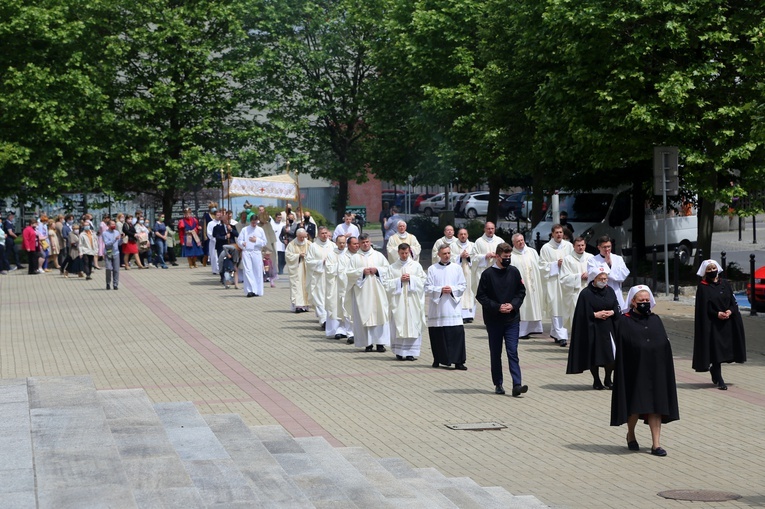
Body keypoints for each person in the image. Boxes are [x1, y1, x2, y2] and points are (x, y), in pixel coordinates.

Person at [611, 285, 679, 457]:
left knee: (656, 407)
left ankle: (656, 444)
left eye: (647, 300)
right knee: (635, 407)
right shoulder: (624, 321)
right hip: (635, 370)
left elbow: (664, 343)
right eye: (641, 301)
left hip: (656, 370)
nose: (644, 303)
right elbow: (623, 346)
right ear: (633, 302)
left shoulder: (655, 319)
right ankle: (631, 434)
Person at [476, 242, 528, 396]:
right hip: (494, 320)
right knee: (496, 352)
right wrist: (497, 306)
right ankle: (498, 383)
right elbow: (481, 296)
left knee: (512, 351)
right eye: (505, 257)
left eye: (509, 257)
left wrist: (513, 305)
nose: (507, 259)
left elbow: (521, 292)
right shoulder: (487, 274)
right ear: (497, 256)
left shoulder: (514, 272)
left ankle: (517, 384)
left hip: (512, 319)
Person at [692, 259, 747, 390]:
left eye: (713, 268)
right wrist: (716, 313)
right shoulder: (703, 287)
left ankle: (715, 372)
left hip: (728, 322)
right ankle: (719, 377)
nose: (712, 271)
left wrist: (730, 311)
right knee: (715, 350)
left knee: (725, 349)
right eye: (709, 270)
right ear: (705, 272)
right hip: (713, 323)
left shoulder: (725, 284)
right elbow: (703, 308)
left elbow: (733, 302)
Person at [566, 266, 621, 390]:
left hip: (608, 328)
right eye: (601, 278)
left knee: (612, 355)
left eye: (605, 278)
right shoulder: (586, 293)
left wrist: (612, 312)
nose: (603, 281)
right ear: (594, 279)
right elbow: (581, 313)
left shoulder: (610, 291)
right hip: (593, 328)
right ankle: (596, 380)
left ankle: (608, 378)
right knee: (594, 355)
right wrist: (594, 315)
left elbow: (616, 306)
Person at [425, 244, 468, 370]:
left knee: (456, 334)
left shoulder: (457, 268)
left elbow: (462, 285)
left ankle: (459, 361)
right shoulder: (432, 269)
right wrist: (440, 290)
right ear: (439, 254)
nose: (447, 256)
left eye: (448, 253)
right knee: (438, 334)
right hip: (438, 308)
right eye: (444, 253)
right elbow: (427, 287)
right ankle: (438, 358)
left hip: (452, 307)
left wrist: (452, 289)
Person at [347, 233, 391, 352]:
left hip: (378, 292)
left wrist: (377, 270)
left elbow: (388, 270)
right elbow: (349, 274)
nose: (365, 244)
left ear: (370, 241)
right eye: (362, 243)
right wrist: (362, 272)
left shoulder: (378, 255)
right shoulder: (355, 258)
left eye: (367, 242)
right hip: (363, 293)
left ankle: (380, 343)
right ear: (359, 244)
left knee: (380, 315)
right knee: (364, 316)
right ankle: (368, 343)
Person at [386, 243, 426, 361]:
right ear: (398, 252)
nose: (404, 255)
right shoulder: (392, 267)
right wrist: (399, 280)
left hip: (413, 301)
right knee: (399, 323)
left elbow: (423, 280)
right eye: (402, 253)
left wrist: (412, 279)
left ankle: (410, 353)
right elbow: (386, 284)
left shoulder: (416, 266)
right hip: (398, 303)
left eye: (406, 253)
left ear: (409, 252)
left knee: (413, 323)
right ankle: (399, 352)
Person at [539, 224, 575, 345]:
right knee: (555, 306)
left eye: (561, 232)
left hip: (566, 281)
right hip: (553, 282)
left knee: (564, 306)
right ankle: (561, 336)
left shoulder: (569, 246)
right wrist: (555, 264)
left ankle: (556, 332)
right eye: (557, 233)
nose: (559, 235)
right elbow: (542, 266)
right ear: (552, 234)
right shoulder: (546, 248)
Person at [510, 233, 544, 339]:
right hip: (521, 285)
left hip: (533, 284)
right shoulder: (512, 255)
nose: (521, 243)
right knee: (524, 307)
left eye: (522, 240)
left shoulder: (532, 252)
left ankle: (534, 329)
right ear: (513, 243)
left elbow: (539, 266)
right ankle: (522, 331)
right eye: (518, 241)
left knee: (533, 305)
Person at [559, 237, 595, 332]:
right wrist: (579, 277)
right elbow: (563, 279)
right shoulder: (568, 259)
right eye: (578, 245)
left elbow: (597, 273)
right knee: (577, 317)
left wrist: (590, 274)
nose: (580, 247)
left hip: (590, 292)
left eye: (582, 245)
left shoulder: (591, 258)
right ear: (574, 246)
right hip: (575, 294)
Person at [587, 235, 630, 311]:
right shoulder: (592, 260)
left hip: (615, 291)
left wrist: (610, 265)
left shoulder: (618, 259)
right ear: (599, 247)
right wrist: (606, 265)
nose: (607, 249)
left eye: (609, 246)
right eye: (604, 247)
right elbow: (592, 276)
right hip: (599, 294)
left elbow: (623, 275)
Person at [306, 226, 335, 328]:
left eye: (326, 233)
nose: (324, 235)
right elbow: (308, 261)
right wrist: (321, 262)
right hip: (318, 277)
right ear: (318, 235)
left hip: (330, 276)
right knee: (319, 298)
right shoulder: (313, 246)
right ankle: (323, 320)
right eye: (322, 233)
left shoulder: (333, 246)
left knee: (329, 298)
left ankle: (330, 319)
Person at [469, 222, 504, 297]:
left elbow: (505, 254)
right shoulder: (479, 241)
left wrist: (498, 256)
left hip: (497, 271)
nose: (490, 230)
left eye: (492, 228)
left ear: (494, 229)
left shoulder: (499, 241)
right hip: (482, 272)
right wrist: (485, 256)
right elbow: (472, 257)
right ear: (484, 229)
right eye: (488, 229)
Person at [324, 235, 349, 339]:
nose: (342, 245)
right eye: (340, 243)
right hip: (335, 285)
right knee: (335, 306)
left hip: (346, 284)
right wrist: (341, 267)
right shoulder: (331, 254)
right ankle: (335, 330)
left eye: (344, 243)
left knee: (346, 307)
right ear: (336, 243)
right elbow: (329, 269)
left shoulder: (349, 254)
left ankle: (346, 330)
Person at [237, 215, 267, 297]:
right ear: (250, 221)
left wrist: (256, 240)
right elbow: (239, 240)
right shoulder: (245, 230)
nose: (254, 224)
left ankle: (257, 290)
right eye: (252, 222)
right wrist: (242, 243)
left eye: (255, 222)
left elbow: (264, 242)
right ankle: (250, 290)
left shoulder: (260, 230)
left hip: (256, 251)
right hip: (247, 251)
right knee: (248, 270)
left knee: (257, 271)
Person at [285, 229, 311, 312]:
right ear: (297, 236)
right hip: (297, 269)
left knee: (307, 286)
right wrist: (298, 255)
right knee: (297, 286)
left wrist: (306, 256)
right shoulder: (292, 244)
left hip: (307, 269)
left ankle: (306, 305)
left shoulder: (309, 244)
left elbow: (314, 254)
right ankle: (297, 305)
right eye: (301, 237)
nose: (303, 239)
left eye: (304, 237)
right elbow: (288, 256)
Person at [453, 228, 476, 323]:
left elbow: (476, 258)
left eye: (465, 234)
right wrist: (459, 257)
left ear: (467, 235)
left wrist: (469, 257)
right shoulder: (453, 246)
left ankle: (470, 315)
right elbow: (450, 258)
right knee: (460, 293)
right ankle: (461, 314)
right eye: (461, 234)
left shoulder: (473, 245)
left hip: (470, 273)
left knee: (470, 291)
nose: (463, 236)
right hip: (458, 274)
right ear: (458, 236)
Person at [102, 220, 122, 290]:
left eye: (114, 224)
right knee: (108, 268)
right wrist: (114, 239)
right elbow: (107, 243)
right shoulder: (105, 233)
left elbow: (119, 243)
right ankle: (108, 283)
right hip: (108, 252)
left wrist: (121, 239)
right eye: (112, 224)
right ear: (108, 225)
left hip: (116, 252)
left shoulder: (116, 232)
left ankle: (115, 284)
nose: (114, 225)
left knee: (116, 270)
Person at [206, 208, 221, 275]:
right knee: (214, 256)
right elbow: (209, 233)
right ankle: (215, 270)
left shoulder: (221, 223)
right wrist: (214, 239)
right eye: (217, 215)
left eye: (219, 215)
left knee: (219, 255)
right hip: (213, 242)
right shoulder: (210, 223)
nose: (219, 216)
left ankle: (220, 269)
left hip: (220, 242)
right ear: (214, 215)